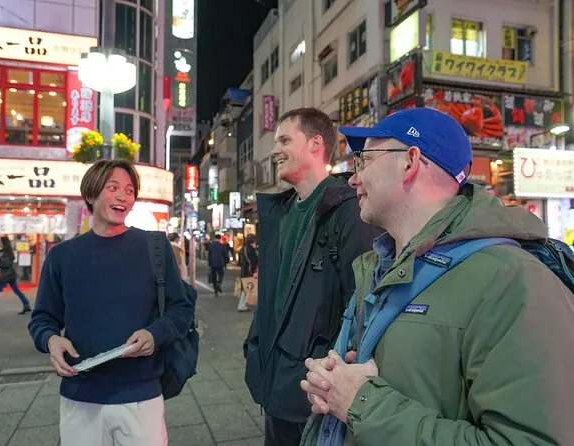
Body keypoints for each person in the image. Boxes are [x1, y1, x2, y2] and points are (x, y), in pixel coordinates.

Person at [299, 107, 574, 445]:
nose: (353, 179)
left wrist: (361, 403)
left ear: (410, 162)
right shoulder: (379, 267)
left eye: (364, 161)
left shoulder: (513, 280)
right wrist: (335, 385)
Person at [28, 159, 194, 446]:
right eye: (113, 187)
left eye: (129, 191)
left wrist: (154, 335)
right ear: (91, 193)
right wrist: (51, 340)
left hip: (141, 395)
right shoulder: (62, 256)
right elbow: (42, 318)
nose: (123, 197)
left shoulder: (154, 247)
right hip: (80, 395)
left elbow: (181, 308)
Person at [243, 107, 381, 446]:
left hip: (314, 394)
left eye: (284, 140)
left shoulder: (348, 210)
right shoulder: (281, 212)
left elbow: (364, 306)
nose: (275, 150)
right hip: (274, 383)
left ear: (316, 144)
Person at [0, 236, 31, 317]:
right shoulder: (8, 252)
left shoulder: (5, 253)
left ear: (3, 243)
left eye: (0, 242)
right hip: (10, 275)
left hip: (6, 276)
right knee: (16, 290)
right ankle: (26, 304)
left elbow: (5, 265)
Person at [237, 234, 258, 312]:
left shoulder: (244, 248)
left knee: (246, 288)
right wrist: (254, 271)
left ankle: (242, 305)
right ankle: (242, 305)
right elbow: (253, 262)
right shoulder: (251, 249)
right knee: (248, 288)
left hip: (244, 271)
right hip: (249, 272)